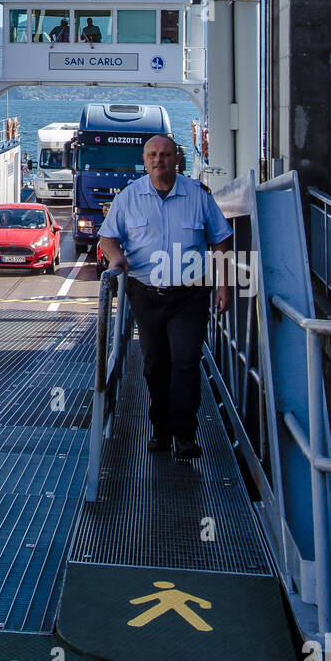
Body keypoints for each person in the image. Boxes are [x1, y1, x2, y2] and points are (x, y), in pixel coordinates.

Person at [98, 135, 233, 462]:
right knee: (155, 366)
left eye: (166, 154)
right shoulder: (129, 198)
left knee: (186, 363)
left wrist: (224, 285)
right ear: (145, 160)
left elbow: (221, 243)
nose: (159, 160)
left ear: (177, 159)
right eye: (153, 155)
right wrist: (116, 259)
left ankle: (184, 435)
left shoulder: (198, 196)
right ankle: (160, 428)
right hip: (146, 295)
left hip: (190, 295)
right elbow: (107, 238)